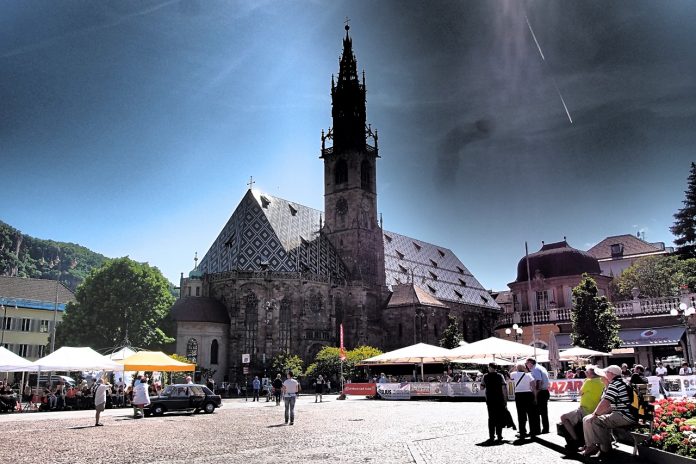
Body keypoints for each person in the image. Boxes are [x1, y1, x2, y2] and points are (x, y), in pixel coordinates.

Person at [581, 365, 637, 457]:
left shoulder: (614, 384)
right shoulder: (619, 382)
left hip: (623, 415)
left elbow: (606, 401)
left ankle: (602, 449)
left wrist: (595, 414)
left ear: (611, 374)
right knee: (591, 420)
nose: (605, 374)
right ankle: (599, 448)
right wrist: (595, 414)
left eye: (606, 372)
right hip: (625, 414)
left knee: (594, 421)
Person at [560, 365, 606, 447]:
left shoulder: (588, 382)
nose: (585, 373)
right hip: (597, 409)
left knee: (563, 417)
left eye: (587, 372)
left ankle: (575, 440)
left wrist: (585, 382)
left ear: (592, 374)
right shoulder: (602, 381)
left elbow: (580, 393)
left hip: (586, 409)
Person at [481, 363, 508, 443]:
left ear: (490, 367)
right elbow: (504, 388)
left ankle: (491, 436)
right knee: (499, 417)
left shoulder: (485, 376)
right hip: (499, 399)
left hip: (490, 399)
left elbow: (482, 388)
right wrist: (505, 399)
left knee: (491, 418)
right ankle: (499, 435)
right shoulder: (500, 376)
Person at [526, 357, 550, 435]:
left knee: (536, 412)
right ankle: (545, 429)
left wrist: (535, 394)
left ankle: (538, 430)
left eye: (527, 363)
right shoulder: (541, 367)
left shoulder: (535, 369)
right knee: (544, 412)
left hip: (541, 392)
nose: (526, 365)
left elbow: (539, 382)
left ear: (531, 363)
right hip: (545, 391)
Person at [510, 363, 534, 440]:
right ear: (524, 368)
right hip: (528, 394)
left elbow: (509, 373)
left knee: (521, 414)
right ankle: (532, 432)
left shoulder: (514, 374)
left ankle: (522, 432)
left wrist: (514, 367)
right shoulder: (528, 375)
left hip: (519, 395)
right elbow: (533, 385)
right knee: (530, 414)